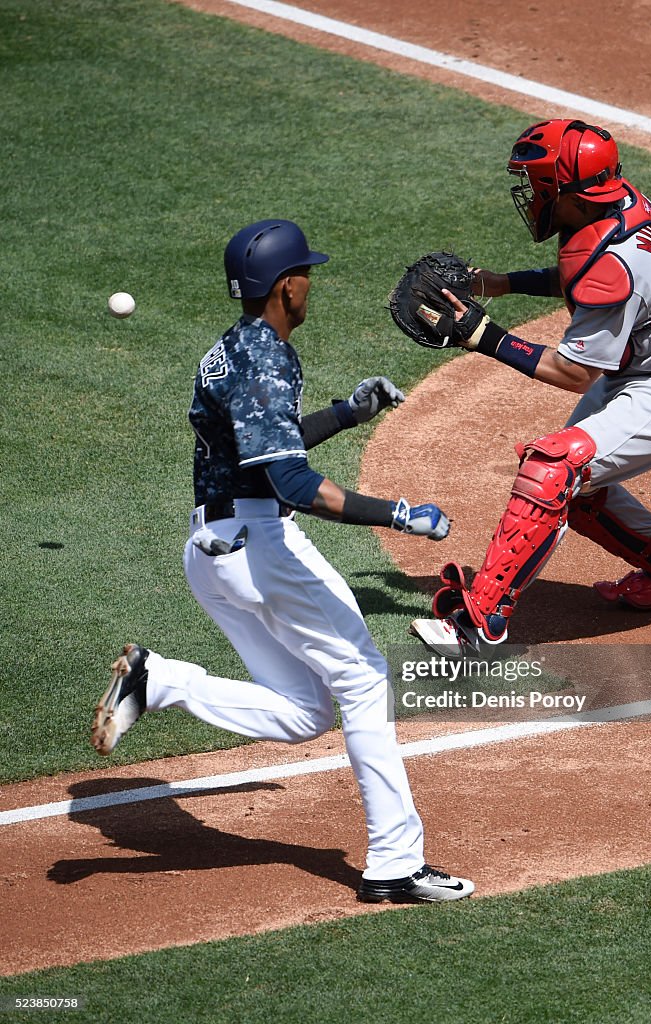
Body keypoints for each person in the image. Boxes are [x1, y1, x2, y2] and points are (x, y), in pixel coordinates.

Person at [91, 218, 474, 904]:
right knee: (361, 682)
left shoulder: (229, 349)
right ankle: (394, 863)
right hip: (260, 547)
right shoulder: (268, 358)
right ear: (286, 286)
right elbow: (290, 483)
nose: (310, 286)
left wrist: (345, 414)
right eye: (306, 275)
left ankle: (161, 682)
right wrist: (398, 514)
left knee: (305, 714)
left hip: (209, 555)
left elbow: (265, 443)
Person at [410, 118, 651, 656]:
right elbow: (584, 277)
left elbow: (573, 371)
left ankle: (480, 623)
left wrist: (484, 336)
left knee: (552, 468)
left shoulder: (613, 260)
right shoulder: (617, 207)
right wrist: (503, 282)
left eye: (538, 185)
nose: (530, 195)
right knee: (575, 494)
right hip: (648, 368)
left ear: (569, 192)